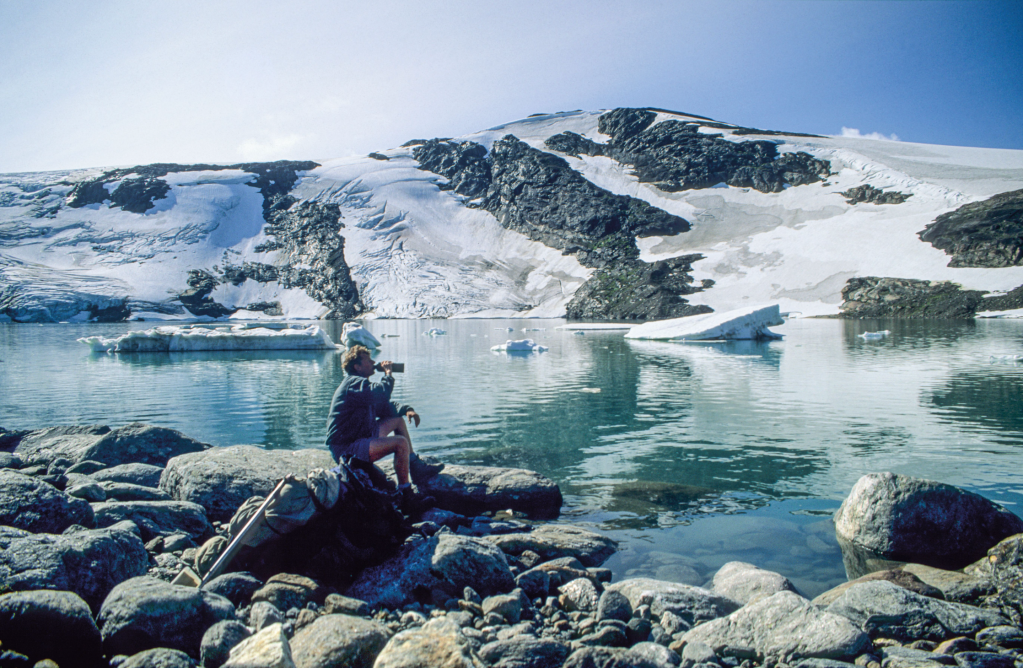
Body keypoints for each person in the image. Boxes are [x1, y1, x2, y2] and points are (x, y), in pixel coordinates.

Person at [325, 345, 444, 512]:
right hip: (347, 448)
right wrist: (388, 373)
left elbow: (383, 406)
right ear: (357, 367)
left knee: (397, 420)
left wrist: (406, 409)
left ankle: (415, 467)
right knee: (400, 443)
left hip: (360, 437)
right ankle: (407, 497)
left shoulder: (362, 386)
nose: (374, 362)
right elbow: (381, 393)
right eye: (368, 360)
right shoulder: (353, 383)